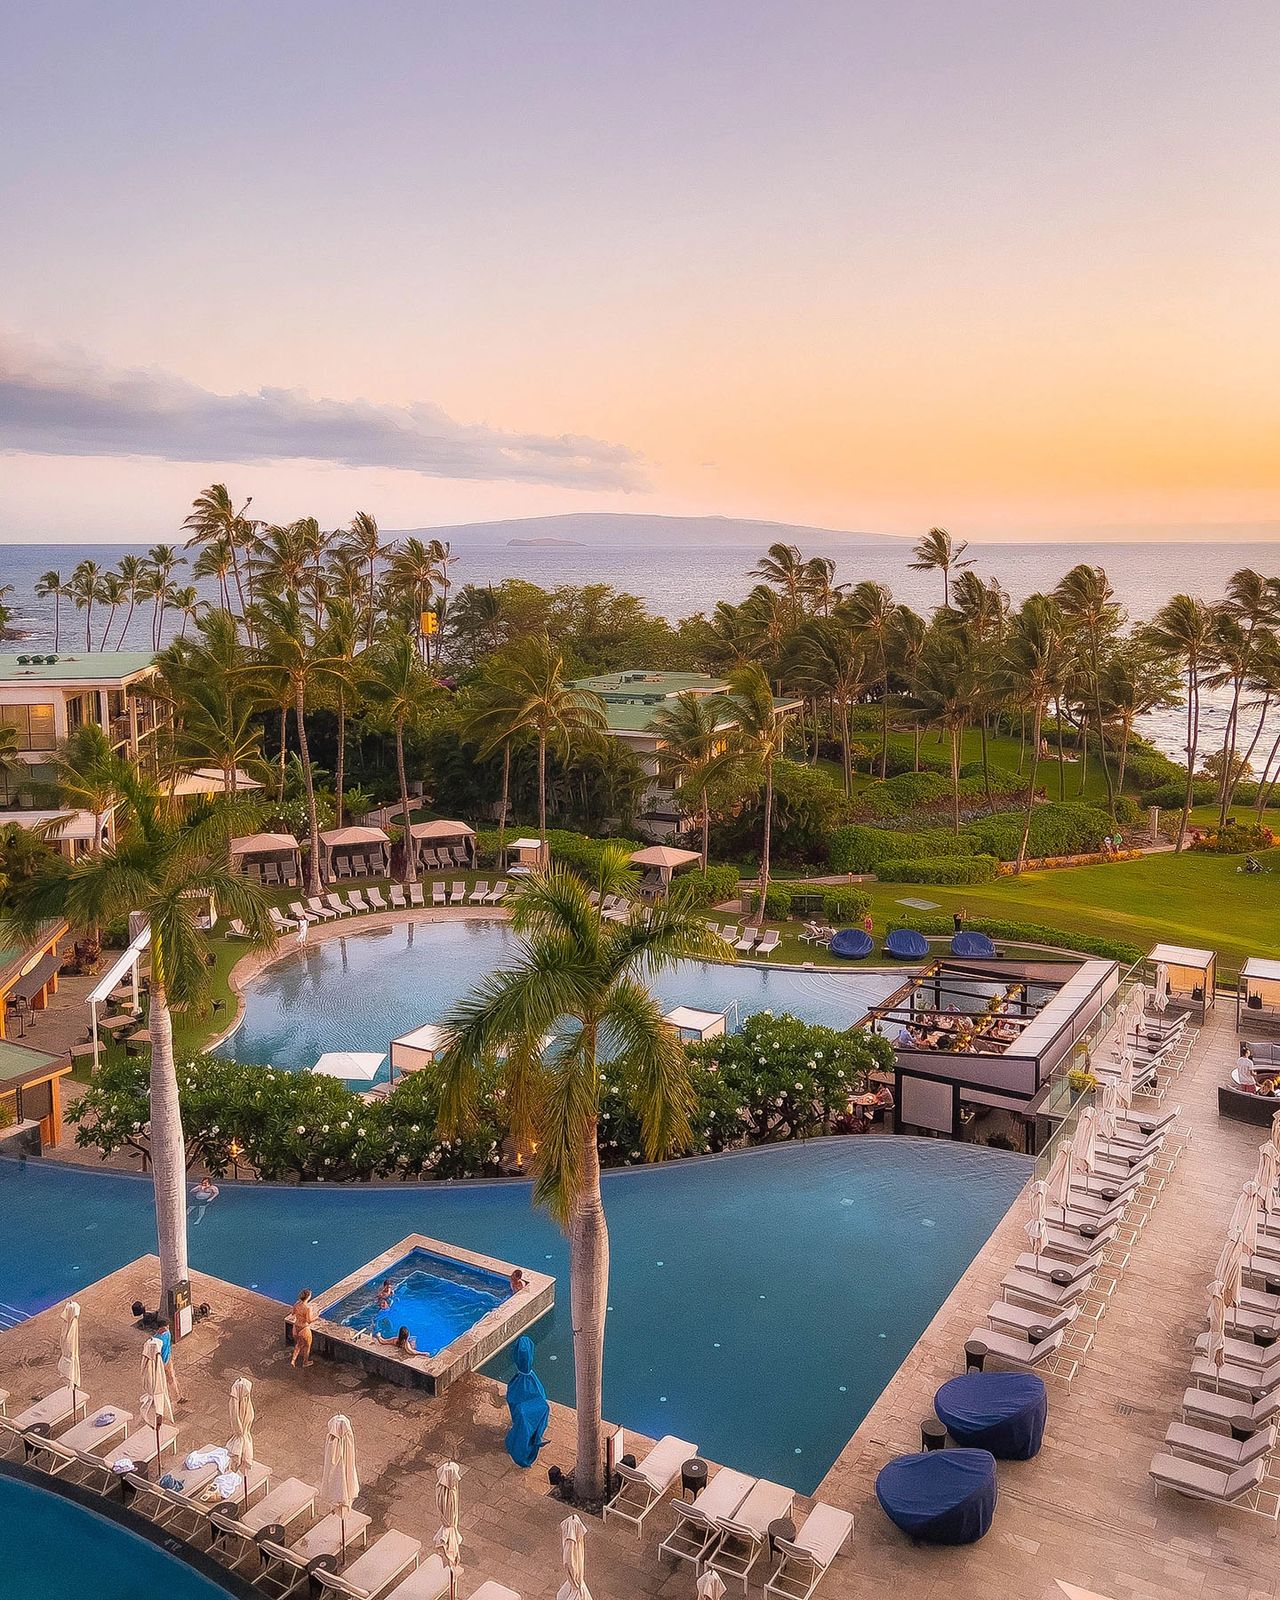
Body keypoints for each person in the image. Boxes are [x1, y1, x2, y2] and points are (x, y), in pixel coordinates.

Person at [154, 1316, 186, 1403]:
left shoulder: (166, 1333)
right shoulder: (157, 1340)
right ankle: (176, 1398)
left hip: (167, 1358)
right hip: (163, 1362)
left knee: (171, 1377)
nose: (168, 1328)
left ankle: (176, 1396)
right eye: (166, 1326)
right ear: (161, 1327)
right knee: (169, 1379)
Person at [291, 1288, 315, 1368]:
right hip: (304, 1328)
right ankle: (305, 1362)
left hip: (296, 1327)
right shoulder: (308, 1308)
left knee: (298, 1344)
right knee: (307, 1346)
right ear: (308, 1297)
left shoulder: (296, 1304)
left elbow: (293, 1313)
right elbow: (309, 1321)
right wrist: (317, 1316)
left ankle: (293, 1360)